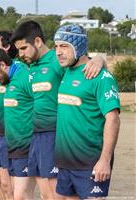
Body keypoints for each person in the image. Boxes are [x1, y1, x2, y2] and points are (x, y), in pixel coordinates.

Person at [11, 20, 106, 199]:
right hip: (36, 136)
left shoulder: (57, 60)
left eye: (23, 48)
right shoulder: (32, 65)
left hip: (54, 135)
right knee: (44, 194)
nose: (20, 54)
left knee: (55, 195)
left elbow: (83, 67)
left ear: (37, 42)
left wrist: (100, 59)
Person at [54, 24, 120, 199]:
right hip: (65, 162)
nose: (58, 52)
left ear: (79, 47)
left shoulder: (101, 77)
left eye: (64, 46)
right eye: (56, 46)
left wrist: (105, 160)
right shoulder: (64, 70)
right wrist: (100, 58)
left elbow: (113, 119)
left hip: (90, 163)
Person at [0, 48, 35, 200]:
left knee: (22, 195)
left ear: (3, 65)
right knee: (13, 190)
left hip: (26, 144)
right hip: (10, 143)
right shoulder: (10, 80)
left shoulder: (24, 76)